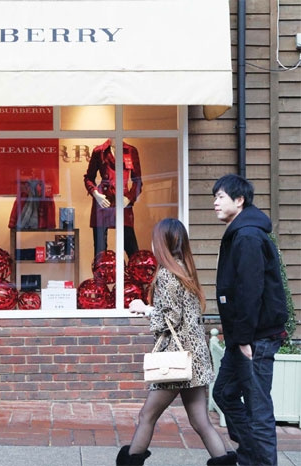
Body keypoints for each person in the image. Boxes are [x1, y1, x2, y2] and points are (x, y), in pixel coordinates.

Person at [118, 218, 236, 466]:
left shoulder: (167, 275)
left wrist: (144, 308)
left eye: (154, 238)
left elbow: (169, 319)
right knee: (200, 422)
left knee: (146, 415)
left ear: (163, 242)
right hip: (194, 359)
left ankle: (129, 462)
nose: (151, 243)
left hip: (174, 362)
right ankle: (226, 461)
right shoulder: (184, 269)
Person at [212, 174, 288, 466]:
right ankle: (250, 456)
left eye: (220, 197)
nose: (215, 203)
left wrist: (244, 339)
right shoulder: (241, 232)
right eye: (214, 197)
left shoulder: (248, 236)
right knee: (224, 393)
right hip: (243, 337)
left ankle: (261, 461)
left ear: (239, 200)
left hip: (256, 338)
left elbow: (250, 290)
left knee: (259, 410)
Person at [83, 138, 142, 258]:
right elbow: (89, 177)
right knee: (100, 250)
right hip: (103, 200)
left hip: (122, 201)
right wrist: (96, 194)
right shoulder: (99, 151)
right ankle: (101, 275)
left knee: (131, 246)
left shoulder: (130, 151)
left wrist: (129, 198)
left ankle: (134, 275)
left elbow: (138, 181)